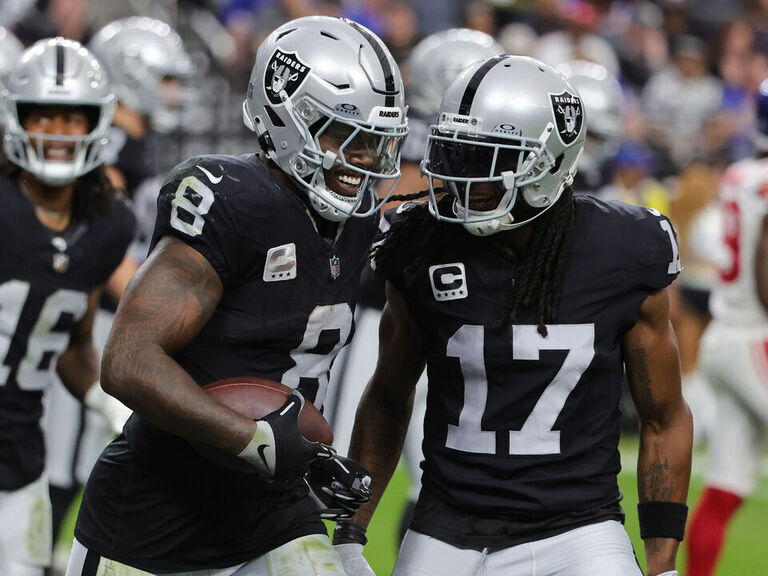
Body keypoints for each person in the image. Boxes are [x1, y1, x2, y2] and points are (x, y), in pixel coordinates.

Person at [64, 15, 408, 576]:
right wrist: (254, 441)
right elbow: (127, 361)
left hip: (275, 508)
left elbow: (393, 383)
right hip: (159, 518)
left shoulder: (366, 222)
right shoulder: (232, 202)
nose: (362, 157)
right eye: (342, 134)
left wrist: (347, 522)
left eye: (373, 139)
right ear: (286, 119)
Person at [336, 55, 692, 576]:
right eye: (457, 153)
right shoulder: (420, 245)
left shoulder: (625, 249)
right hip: (447, 525)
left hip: (579, 530)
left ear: (547, 164)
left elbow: (663, 416)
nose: (462, 176)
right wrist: (350, 533)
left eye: (488, 158)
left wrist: (662, 563)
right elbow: (389, 397)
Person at [326, 26, 505, 540]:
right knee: (344, 461)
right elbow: (398, 206)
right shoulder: (422, 133)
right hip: (387, 309)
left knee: (432, 473)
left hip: (440, 312)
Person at [44, 19, 200, 564]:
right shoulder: (111, 144)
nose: (174, 92)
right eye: (165, 79)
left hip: (116, 314)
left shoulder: (134, 139)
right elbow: (99, 239)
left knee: (93, 453)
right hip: (101, 316)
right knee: (67, 453)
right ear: (132, 75)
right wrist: (152, 299)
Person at [0, 37, 136, 576]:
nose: (57, 133)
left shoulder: (106, 225)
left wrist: (111, 404)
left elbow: (72, 344)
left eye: (71, 118)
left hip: (20, 458)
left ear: (97, 123)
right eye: (44, 116)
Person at [684, 77, 768, 576]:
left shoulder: (739, 174)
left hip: (724, 334)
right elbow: (764, 274)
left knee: (725, 488)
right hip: (755, 335)